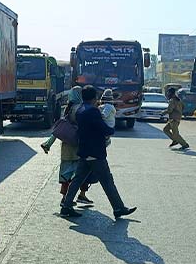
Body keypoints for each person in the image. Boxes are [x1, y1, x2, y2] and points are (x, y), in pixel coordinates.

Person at [60, 85, 138, 219]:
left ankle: (66, 206)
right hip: (95, 152)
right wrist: (111, 130)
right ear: (94, 98)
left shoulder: (81, 110)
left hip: (84, 150)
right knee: (107, 180)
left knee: (77, 180)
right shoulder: (92, 111)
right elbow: (102, 128)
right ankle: (118, 208)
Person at [45, 87, 93, 205]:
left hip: (66, 147)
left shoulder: (68, 109)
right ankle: (78, 196)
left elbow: (61, 129)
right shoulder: (81, 109)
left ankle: (65, 197)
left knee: (66, 173)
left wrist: (48, 143)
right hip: (77, 146)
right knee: (82, 172)